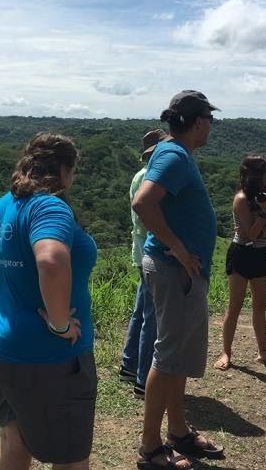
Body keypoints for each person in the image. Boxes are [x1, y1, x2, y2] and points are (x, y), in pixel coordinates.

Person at [0, 132, 97, 470]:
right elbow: (51, 261)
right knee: (70, 456)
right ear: (65, 171)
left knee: (13, 437)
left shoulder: (3, 205)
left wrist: (9, 283)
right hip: (47, 355)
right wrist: (60, 324)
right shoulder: (49, 206)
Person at [133, 90, 223, 470]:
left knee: (178, 357)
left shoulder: (175, 153)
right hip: (175, 269)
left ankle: (178, 431)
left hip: (179, 270)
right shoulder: (173, 154)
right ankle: (151, 448)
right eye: (210, 121)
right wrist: (180, 250)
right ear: (199, 122)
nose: (210, 128)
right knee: (168, 357)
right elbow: (143, 202)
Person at [214, 155, 266, 372]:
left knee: (260, 305)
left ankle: (263, 351)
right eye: (265, 172)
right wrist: (265, 211)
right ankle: (226, 351)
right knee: (234, 306)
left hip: (260, 254)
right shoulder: (242, 199)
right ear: (254, 175)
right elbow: (251, 233)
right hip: (241, 254)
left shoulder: (265, 198)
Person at [119, 129, 168, 399]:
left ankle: (129, 363)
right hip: (149, 250)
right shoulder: (149, 178)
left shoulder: (141, 176)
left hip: (140, 249)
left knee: (142, 308)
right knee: (152, 315)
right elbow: (145, 218)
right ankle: (143, 379)